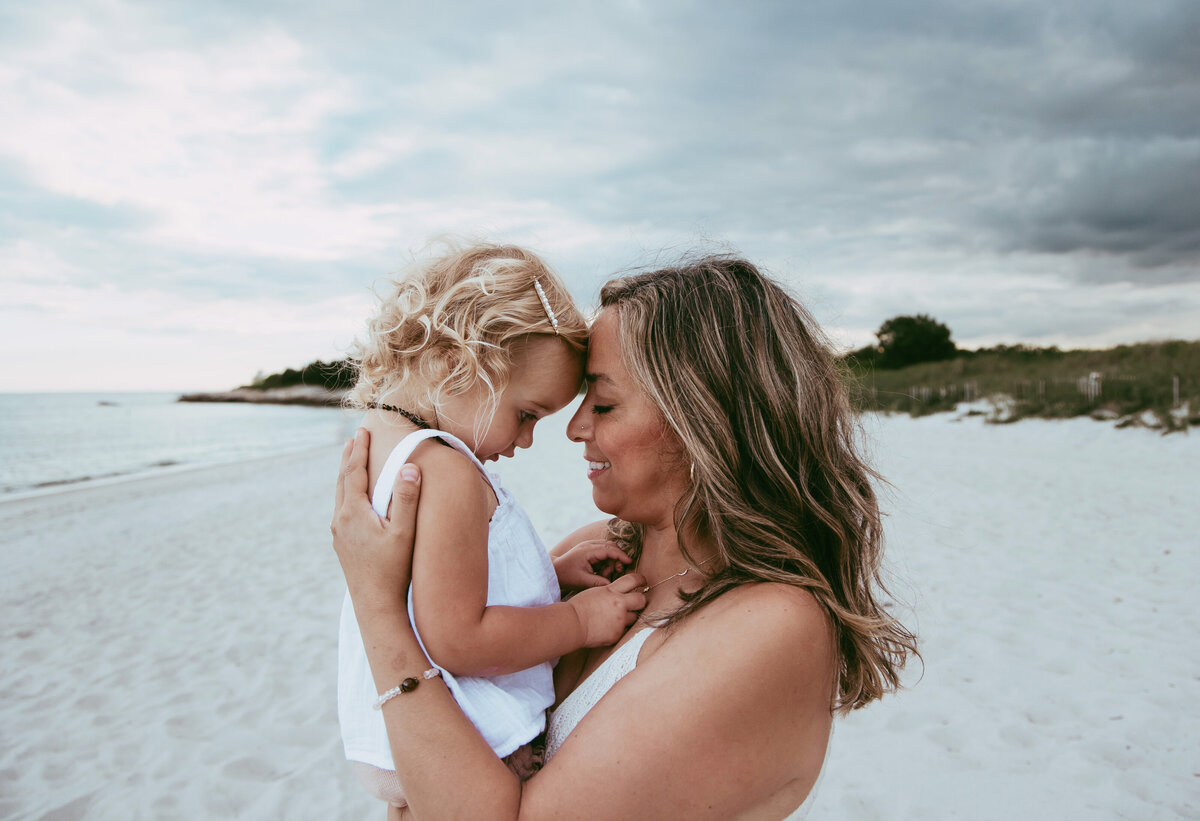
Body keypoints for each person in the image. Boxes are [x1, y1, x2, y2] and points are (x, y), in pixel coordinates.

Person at [332, 254, 919, 819]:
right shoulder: (603, 553)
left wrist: (378, 607)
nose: (576, 427)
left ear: (704, 423)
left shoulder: (769, 623)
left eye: (605, 403)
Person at [337, 241, 644, 811]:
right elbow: (456, 639)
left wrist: (550, 571)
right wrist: (578, 619)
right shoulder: (447, 471)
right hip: (469, 740)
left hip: (387, 727)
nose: (525, 440)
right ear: (460, 363)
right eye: (526, 414)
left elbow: (426, 590)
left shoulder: (381, 437)